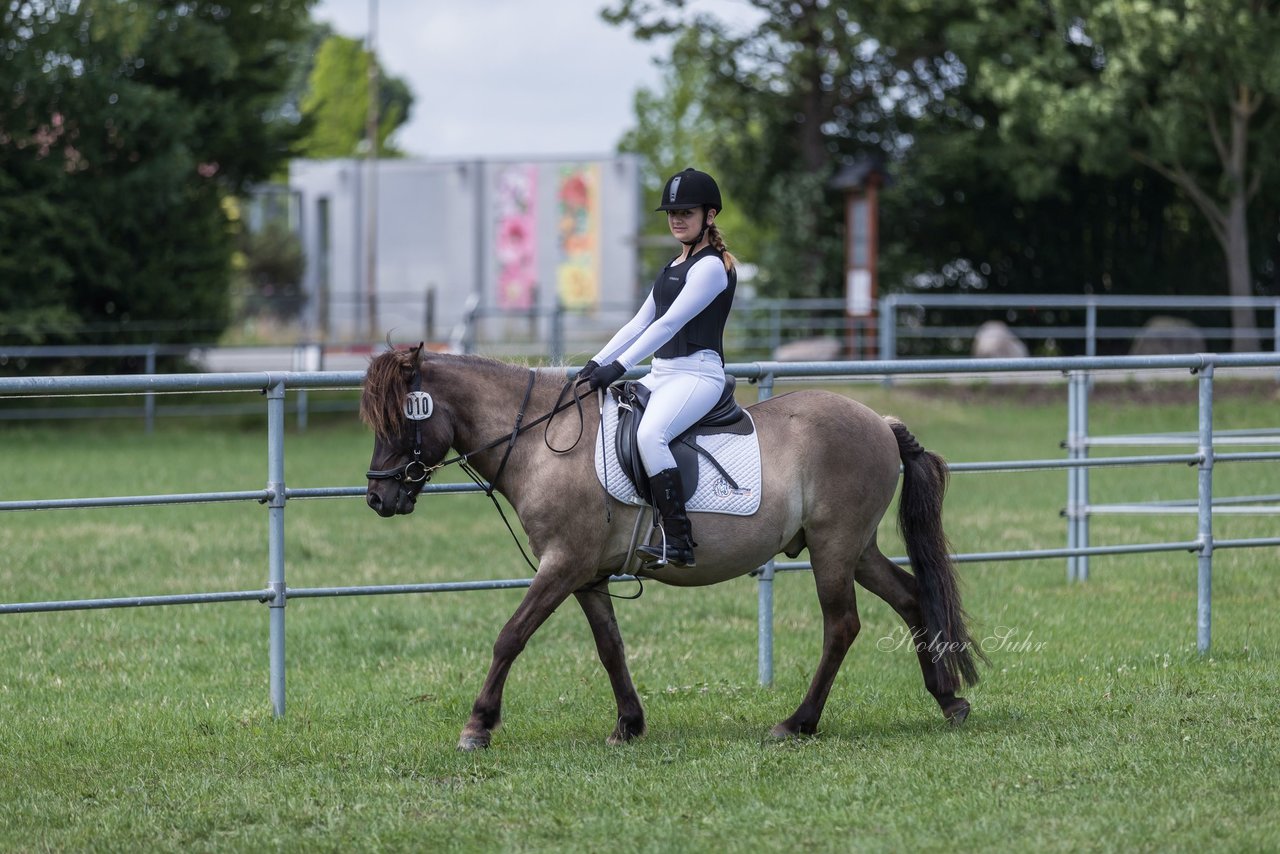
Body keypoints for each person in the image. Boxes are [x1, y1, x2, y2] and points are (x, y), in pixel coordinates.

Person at [577, 167, 738, 568]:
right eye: (671, 212)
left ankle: (679, 538)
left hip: (699, 374)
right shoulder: (672, 266)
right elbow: (639, 321)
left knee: (651, 435)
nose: (677, 219)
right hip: (664, 373)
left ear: (709, 216)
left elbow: (669, 324)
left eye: (686, 211)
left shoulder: (711, 268)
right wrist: (596, 362)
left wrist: (619, 368)